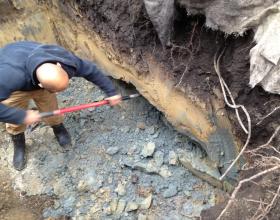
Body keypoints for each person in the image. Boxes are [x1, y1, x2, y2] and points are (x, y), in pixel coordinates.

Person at [0, 41, 121, 171]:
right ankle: (18, 140)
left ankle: (58, 127)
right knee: (13, 118)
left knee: (51, 109)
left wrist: (111, 92)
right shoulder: (7, 79)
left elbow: (90, 70)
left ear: (58, 65)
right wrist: (21, 116)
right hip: (16, 88)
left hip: (35, 74)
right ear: (41, 85)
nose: (57, 93)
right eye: (55, 91)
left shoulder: (63, 60)